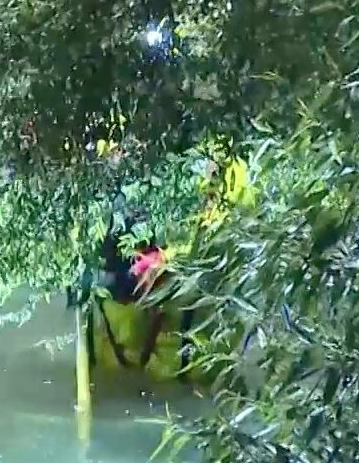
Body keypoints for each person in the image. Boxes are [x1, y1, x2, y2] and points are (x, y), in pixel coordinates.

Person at [78, 142, 254, 384]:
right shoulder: (107, 141)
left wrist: (166, 256)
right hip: (125, 314)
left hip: (190, 314)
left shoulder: (224, 158)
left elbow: (228, 224)